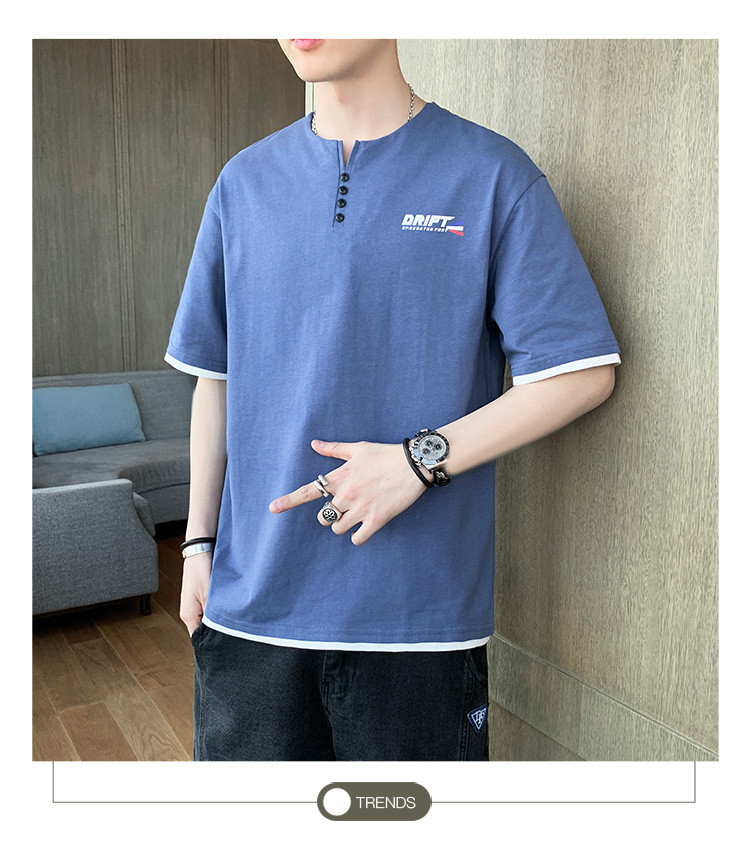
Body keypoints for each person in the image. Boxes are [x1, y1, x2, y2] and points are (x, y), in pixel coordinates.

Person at [164, 38, 621, 761]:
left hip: (417, 623)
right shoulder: (242, 183)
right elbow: (216, 379)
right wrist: (197, 545)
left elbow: (579, 372)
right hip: (250, 614)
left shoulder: (492, 174)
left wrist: (416, 461)